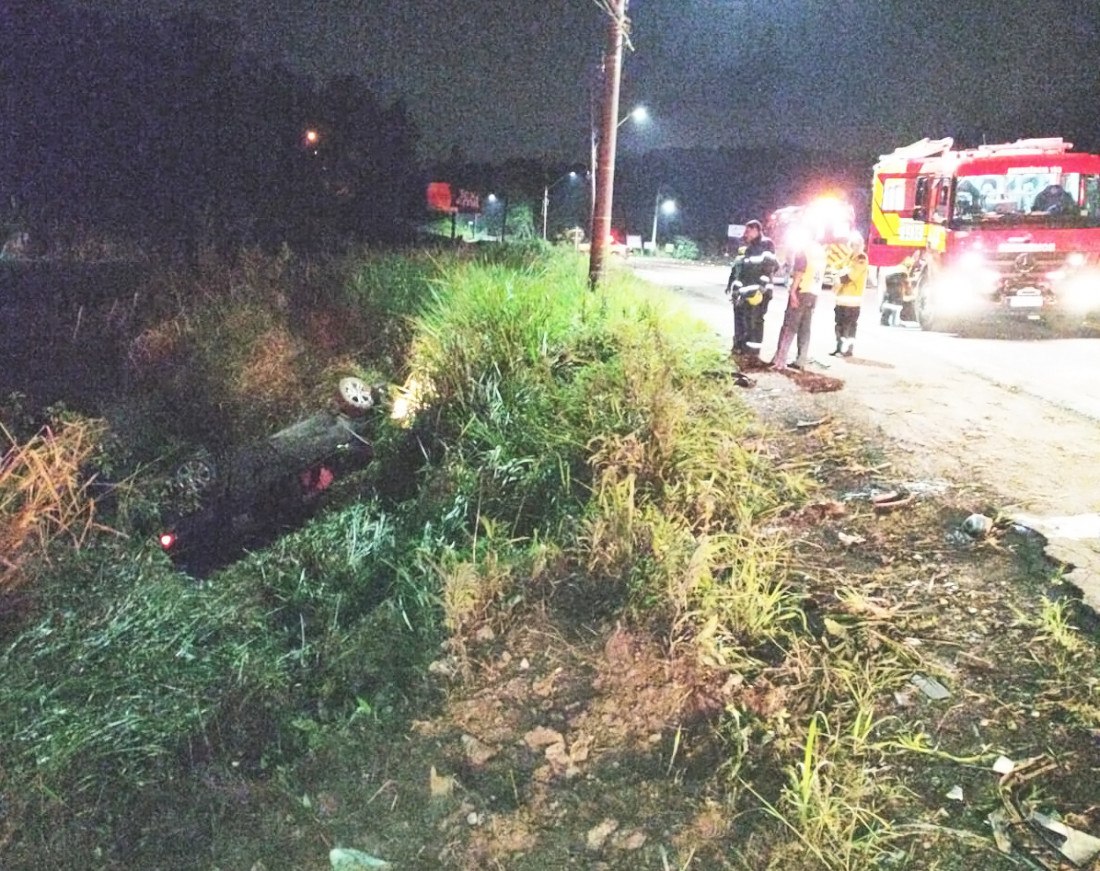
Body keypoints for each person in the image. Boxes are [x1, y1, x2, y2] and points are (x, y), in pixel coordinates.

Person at [769, 238, 825, 371]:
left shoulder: (804, 251)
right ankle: (801, 360)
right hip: (813, 292)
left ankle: (779, 360)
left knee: (789, 327)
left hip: (801, 291)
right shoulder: (821, 252)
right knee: (805, 329)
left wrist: (793, 291)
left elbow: (799, 272)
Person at [727, 219, 776, 354]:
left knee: (756, 322)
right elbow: (744, 272)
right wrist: (739, 291)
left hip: (760, 293)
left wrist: (761, 287)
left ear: (756, 230)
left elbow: (769, 267)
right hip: (749, 292)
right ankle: (745, 350)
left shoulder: (766, 244)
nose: (745, 234)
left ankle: (753, 354)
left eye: (748, 231)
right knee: (749, 322)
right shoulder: (750, 248)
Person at [830, 243, 869, 356]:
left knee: (849, 326)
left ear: (862, 246)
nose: (855, 247)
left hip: (853, 301)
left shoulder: (861, 259)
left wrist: (838, 280)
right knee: (839, 325)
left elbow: (852, 276)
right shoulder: (849, 258)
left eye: (857, 245)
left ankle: (848, 350)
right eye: (853, 245)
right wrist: (837, 274)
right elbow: (835, 268)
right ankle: (839, 347)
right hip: (841, 299)